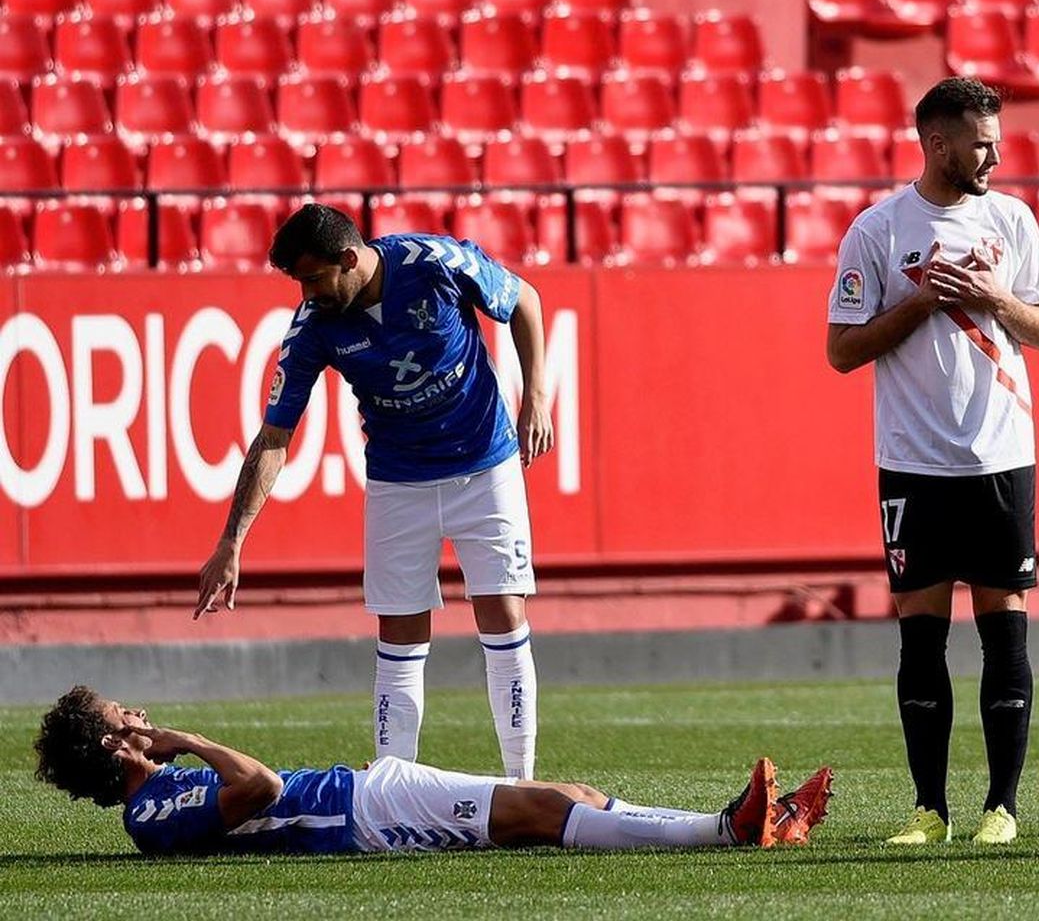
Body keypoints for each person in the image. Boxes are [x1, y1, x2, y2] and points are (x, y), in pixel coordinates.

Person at [194, 204, 550, 780]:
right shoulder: (314, 328)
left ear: (349, 259)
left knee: (502, 614)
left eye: (313, 278)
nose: (307, 293)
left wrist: (535, 395)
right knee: (399, 627)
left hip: (484, 465)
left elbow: (524, 301)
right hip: (398, 482)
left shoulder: (435, 262)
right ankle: (391, 785)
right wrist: (231, 541)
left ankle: (524, 781)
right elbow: (275, 437)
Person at [825, 77, 1039, 846]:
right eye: (980, 141)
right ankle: (929, 810)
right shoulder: (880, 230)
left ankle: (1004, 808)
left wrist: (994, 296)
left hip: (1000, 453)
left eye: (995, 138)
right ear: (937, 144)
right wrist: (922, 302)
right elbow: (841, 350)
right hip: (913, 462)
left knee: (1005, 629)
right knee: (921, 638)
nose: (993, 153)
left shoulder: (1011, 220)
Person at [33, 686, 832, 856]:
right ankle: (733, 828)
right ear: (113, 749)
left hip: (363, 791)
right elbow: (263, 790)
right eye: (123, 719)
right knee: (544, 811)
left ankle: (739, 821)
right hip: (362, 820)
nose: (136, 715)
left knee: (568, 798)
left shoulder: (162, 791)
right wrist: (190, 736)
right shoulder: (149, 817)